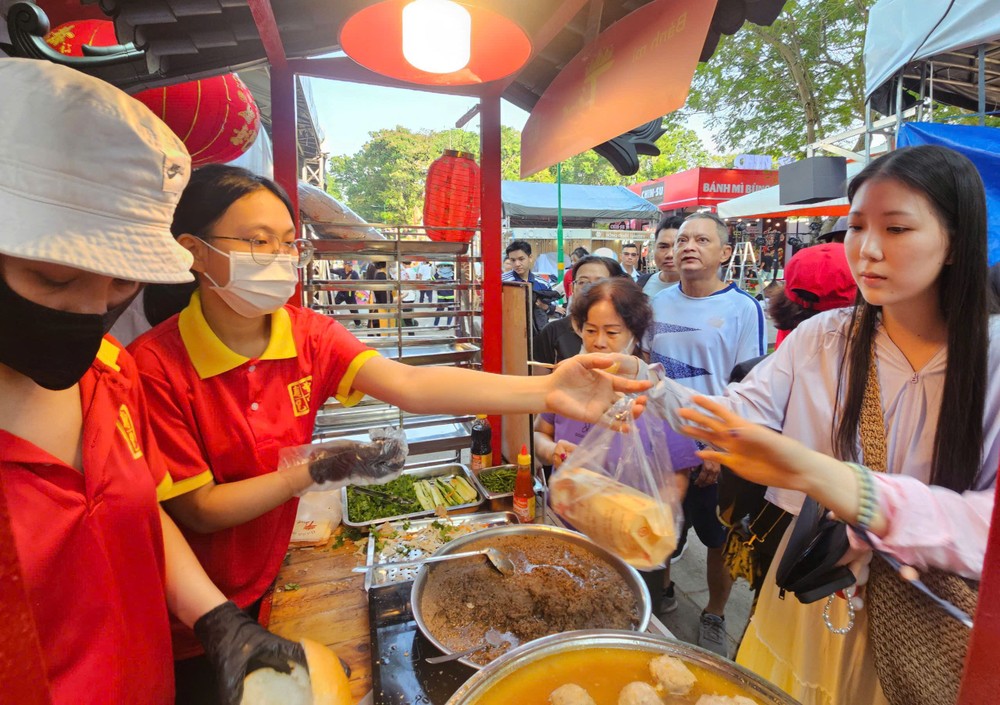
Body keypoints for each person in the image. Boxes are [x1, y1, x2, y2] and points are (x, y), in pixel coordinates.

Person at [128, 165, 652, 702]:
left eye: (289, 243)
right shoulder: (152, 367)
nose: (281, 259)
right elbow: (200, 510)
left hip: (270, 571)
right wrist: (313, 470)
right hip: (190, 617)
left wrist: (545, 392)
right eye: (259, 242)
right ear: (192, 249)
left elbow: (410, 384)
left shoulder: (307, 332)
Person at [644, 144, 1000, 704]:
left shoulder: (992, 359)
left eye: (898, 228)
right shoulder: (824, 337)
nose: (869, 250)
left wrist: (841, 486)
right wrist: (649, 390)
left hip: (925, 610)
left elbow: (988, 526)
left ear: (956, 241)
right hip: (811, 581)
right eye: (856, 227)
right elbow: (740, 411)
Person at [0, 59, 303, 705]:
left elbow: (128, 512)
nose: (90, 307)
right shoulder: (157, 363)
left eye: (119, 283)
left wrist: (215, 617)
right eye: (52, 278)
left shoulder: (110, 373)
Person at [642, 212, 766, 657]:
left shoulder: (743, 308)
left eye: (702, 240)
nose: (688, 246)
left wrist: (718, 447)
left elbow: (750, 387)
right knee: (660, 530)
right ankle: (666, 591)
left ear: (725, 252)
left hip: (714, 447)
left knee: (719, 539)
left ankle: (714, 611)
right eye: (683, 240)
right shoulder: (654, 303)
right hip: (660, 446)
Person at [533, 255, 625, 369]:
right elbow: (539, 379)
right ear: (572, 288)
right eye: (583, 282)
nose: (590, 289)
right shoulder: (552, 332)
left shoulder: (628, 330)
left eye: (600, 283)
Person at [502, 240, 563, 332]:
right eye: (513, 260)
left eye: (521, 259)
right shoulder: (503, 282)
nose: (517, 264)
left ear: (530, 258)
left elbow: (553, 309)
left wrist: (545, 307)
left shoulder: (543, 283)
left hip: (538, 334)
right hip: (511, 333)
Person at [638, 215, 684, 297]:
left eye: (677, 247)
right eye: (663, 247)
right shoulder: (642, 283)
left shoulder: (703, 290)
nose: (670, 254)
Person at [332, 260, 362, 327]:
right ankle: (329, 320)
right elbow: (332, 270)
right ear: (344, 265)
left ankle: (358, 324)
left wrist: (352, 283)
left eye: (351, 265)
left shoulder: (354, 274)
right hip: (341, 293)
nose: (350, 267)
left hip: (350, 294)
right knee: (333, 305)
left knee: (354, 309)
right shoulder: (341, 271)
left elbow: (359, 284)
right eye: (349, 265)